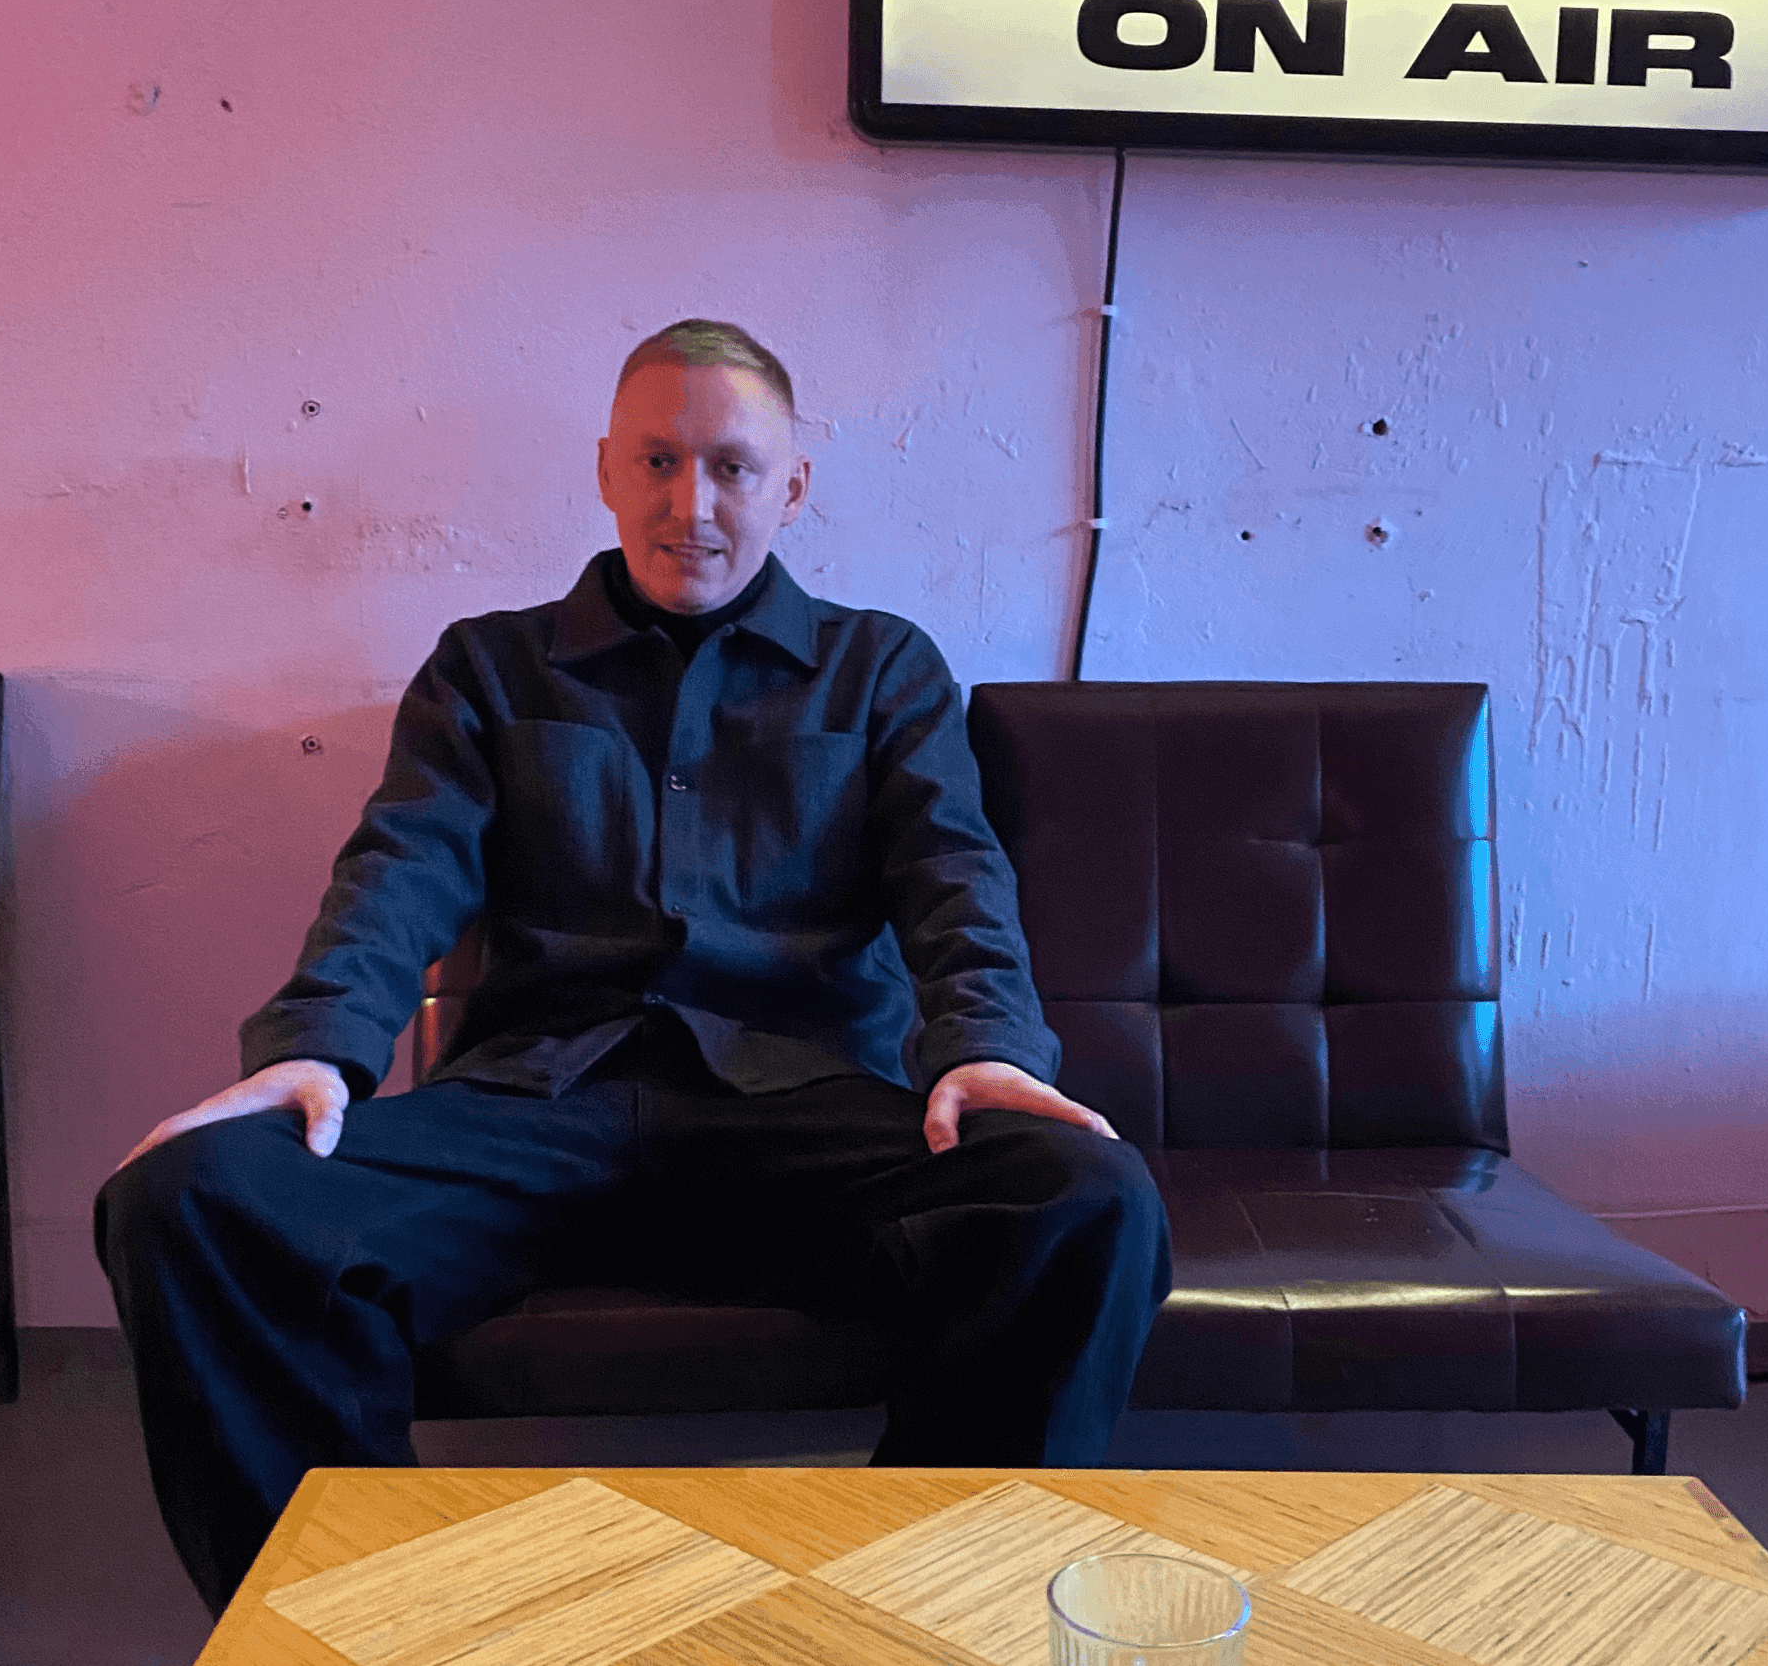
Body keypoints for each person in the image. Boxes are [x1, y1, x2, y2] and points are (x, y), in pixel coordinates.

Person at [95, 319, 1171, 1616]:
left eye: (730, 467)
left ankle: (923, 1610)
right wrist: (318, 1049)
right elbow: (400, 867)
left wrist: (986, 1050)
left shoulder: (880, 668)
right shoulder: (488, 667)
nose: (690, 505)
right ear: (607, 468)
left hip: (802, 1116)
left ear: (791, 485)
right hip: (537, 1109)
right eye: (658, 461)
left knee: (1088, 1200)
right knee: (189, 1196)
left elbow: (955, 878)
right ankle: (359, 1618)